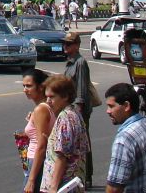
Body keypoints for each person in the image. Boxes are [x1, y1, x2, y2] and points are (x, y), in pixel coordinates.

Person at [103, 82, 146, 193]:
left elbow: (114, 188)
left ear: (126, 106)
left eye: (111, 106)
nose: (108, 111)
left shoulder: (124, 139)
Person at [42, 74, 89, 193]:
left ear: (65, 96)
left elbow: (62, 156)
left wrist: (53, 188)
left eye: (52, 97)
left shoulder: (65, 118)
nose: (48, 101)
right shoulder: (75, 112)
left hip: (64, 185)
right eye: (46, 97)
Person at [62, 31, 94, 187]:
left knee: (83, 143)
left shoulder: (80, 62)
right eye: (65, 43)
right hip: (70, 109)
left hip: (79, 110)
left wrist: (78, 112)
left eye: (68, 44)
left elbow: (81, 89)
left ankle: (87, 176)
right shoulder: (70, 62)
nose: (65, 46)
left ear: (77, 45)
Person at [18, 68, 55, 193]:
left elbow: (42, 145)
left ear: (40, 87)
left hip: (36, 161)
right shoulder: (44, 107)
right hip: (36, 160)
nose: (25, 90)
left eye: (29, 86)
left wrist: (31, 180)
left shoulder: (41, 109)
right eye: (24, 86)